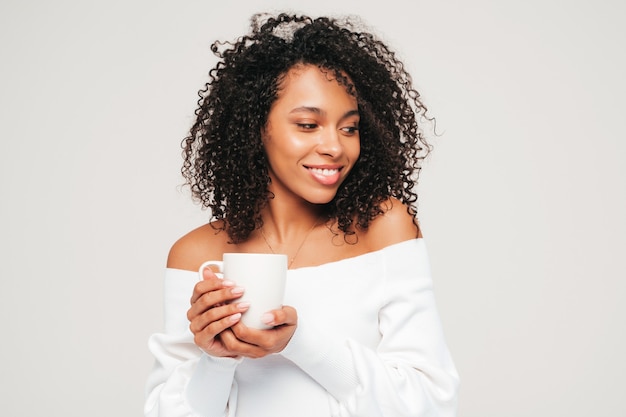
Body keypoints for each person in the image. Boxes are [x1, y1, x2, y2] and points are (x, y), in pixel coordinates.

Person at [145, 12, 459, 417]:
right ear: (256, 127)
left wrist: (299, 342)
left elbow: (432, 404)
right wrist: (217, 358)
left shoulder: (383, 228)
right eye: (309, 125)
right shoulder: (196, 256)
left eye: (349, 128)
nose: (335, 147)